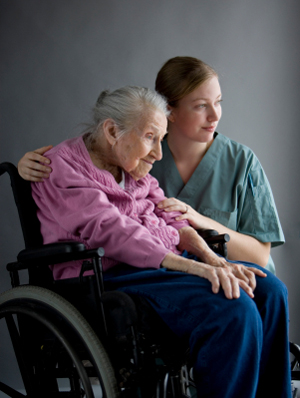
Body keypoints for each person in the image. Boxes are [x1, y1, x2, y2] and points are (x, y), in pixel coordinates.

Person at [27, 85, 290, 397]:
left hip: (160, 269)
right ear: (112, 130)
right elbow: (113, 231)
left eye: (161, 139)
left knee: (271, 290)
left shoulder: (133, 166)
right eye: (151, 137)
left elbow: (172, 219)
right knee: (232, 309)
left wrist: (215, 260)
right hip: (105, 277)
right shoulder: (60, 166)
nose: (158, 153)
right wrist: (197, 270)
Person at [17, 57, 284, 274]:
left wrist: (199, 222)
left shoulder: (241, 162)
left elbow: (261, 255)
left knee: (268, 292)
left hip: (197, 263)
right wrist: (27, 165)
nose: (215, 116)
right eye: (201, 106)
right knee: (230, 308)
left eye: (218, 103)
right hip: (152, 265)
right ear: (170, 112)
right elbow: (106, 217)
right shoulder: (135, 155)